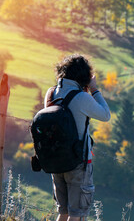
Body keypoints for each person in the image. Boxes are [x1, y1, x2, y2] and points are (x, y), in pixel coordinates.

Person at [45, 54, 110, 221]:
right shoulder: (82, 98)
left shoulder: (51, 93)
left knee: (63, 212)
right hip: (78, 162)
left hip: (55, 161)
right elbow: (105, 115)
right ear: (84, 77)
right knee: (77, 215)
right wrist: (94, 89)